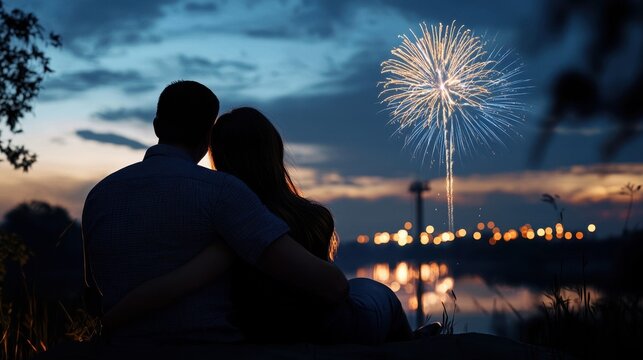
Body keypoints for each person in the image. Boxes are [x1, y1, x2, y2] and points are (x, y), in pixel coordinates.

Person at [99, 107, 424, 345]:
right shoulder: (308, 216)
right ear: (273, 152)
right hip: (322, 326)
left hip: (263, 328)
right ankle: (414, 344)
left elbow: (183, 283)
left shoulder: (222, 218)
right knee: (378, 292)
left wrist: (109, 319)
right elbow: (329, 290)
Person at [82, 81, 348, 344]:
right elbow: (331, 285)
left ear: (156, 127)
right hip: (205, 345)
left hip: (121, 346)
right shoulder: (222, 192)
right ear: (208, 136)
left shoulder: (99, 195)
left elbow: (94, 291)